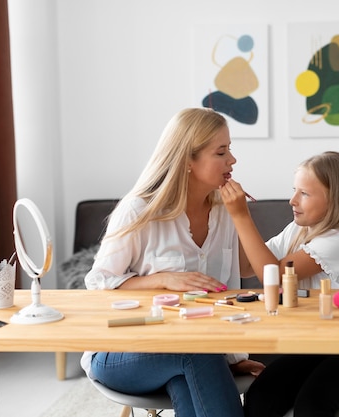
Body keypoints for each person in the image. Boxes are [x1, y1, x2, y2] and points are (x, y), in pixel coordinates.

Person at [80, 107, 264, 417]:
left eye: (229, 149)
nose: (232, 160)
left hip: (195, 352)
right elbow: (98, 284)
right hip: (121, 352)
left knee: (191, 371)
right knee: (196, 354)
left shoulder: (225, 212)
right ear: (188, 160)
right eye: (221, 152)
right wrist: (161, 279)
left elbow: (246, 272)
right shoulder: (139, 209)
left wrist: (230, 359)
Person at [219, 151, 339, 417]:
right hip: (316, 349)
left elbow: (270, 276)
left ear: (335, 200)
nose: (292, 200)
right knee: (260, 396)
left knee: (311, 407)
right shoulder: (297, 230)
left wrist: (242, 216)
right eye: (294, 190)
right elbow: (247, 266)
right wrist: (228, 218)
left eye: (304, 194)